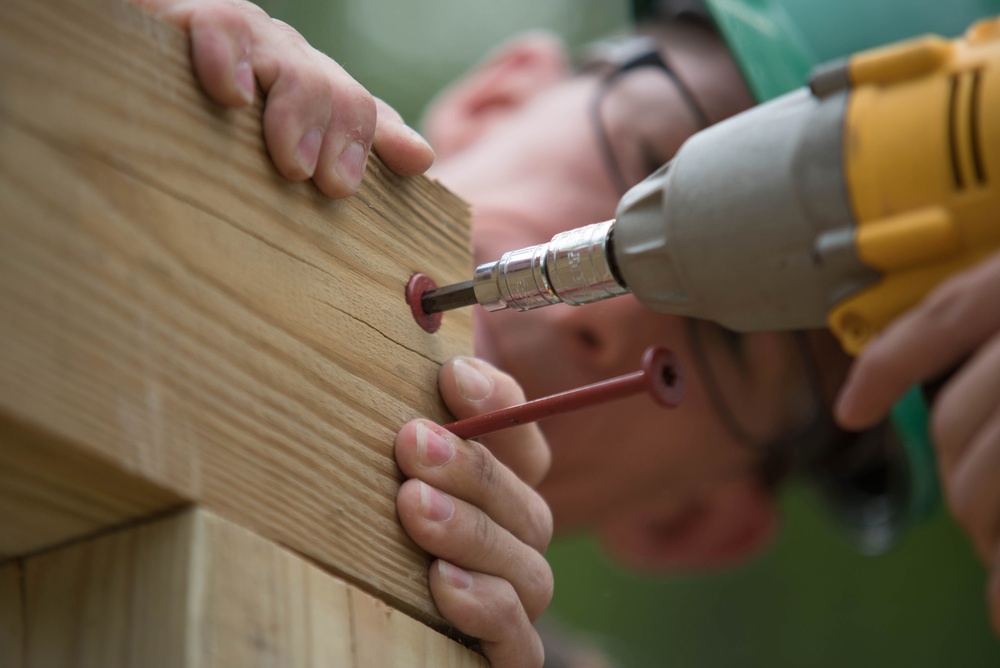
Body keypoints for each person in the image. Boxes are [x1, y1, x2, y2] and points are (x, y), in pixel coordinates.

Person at [133, 1, 1000, 666]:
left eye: (732, 339)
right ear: (496, 94)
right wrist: (104, 66)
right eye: (651, 162)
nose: (608, 312)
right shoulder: (180, 89)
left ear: (692, 523)